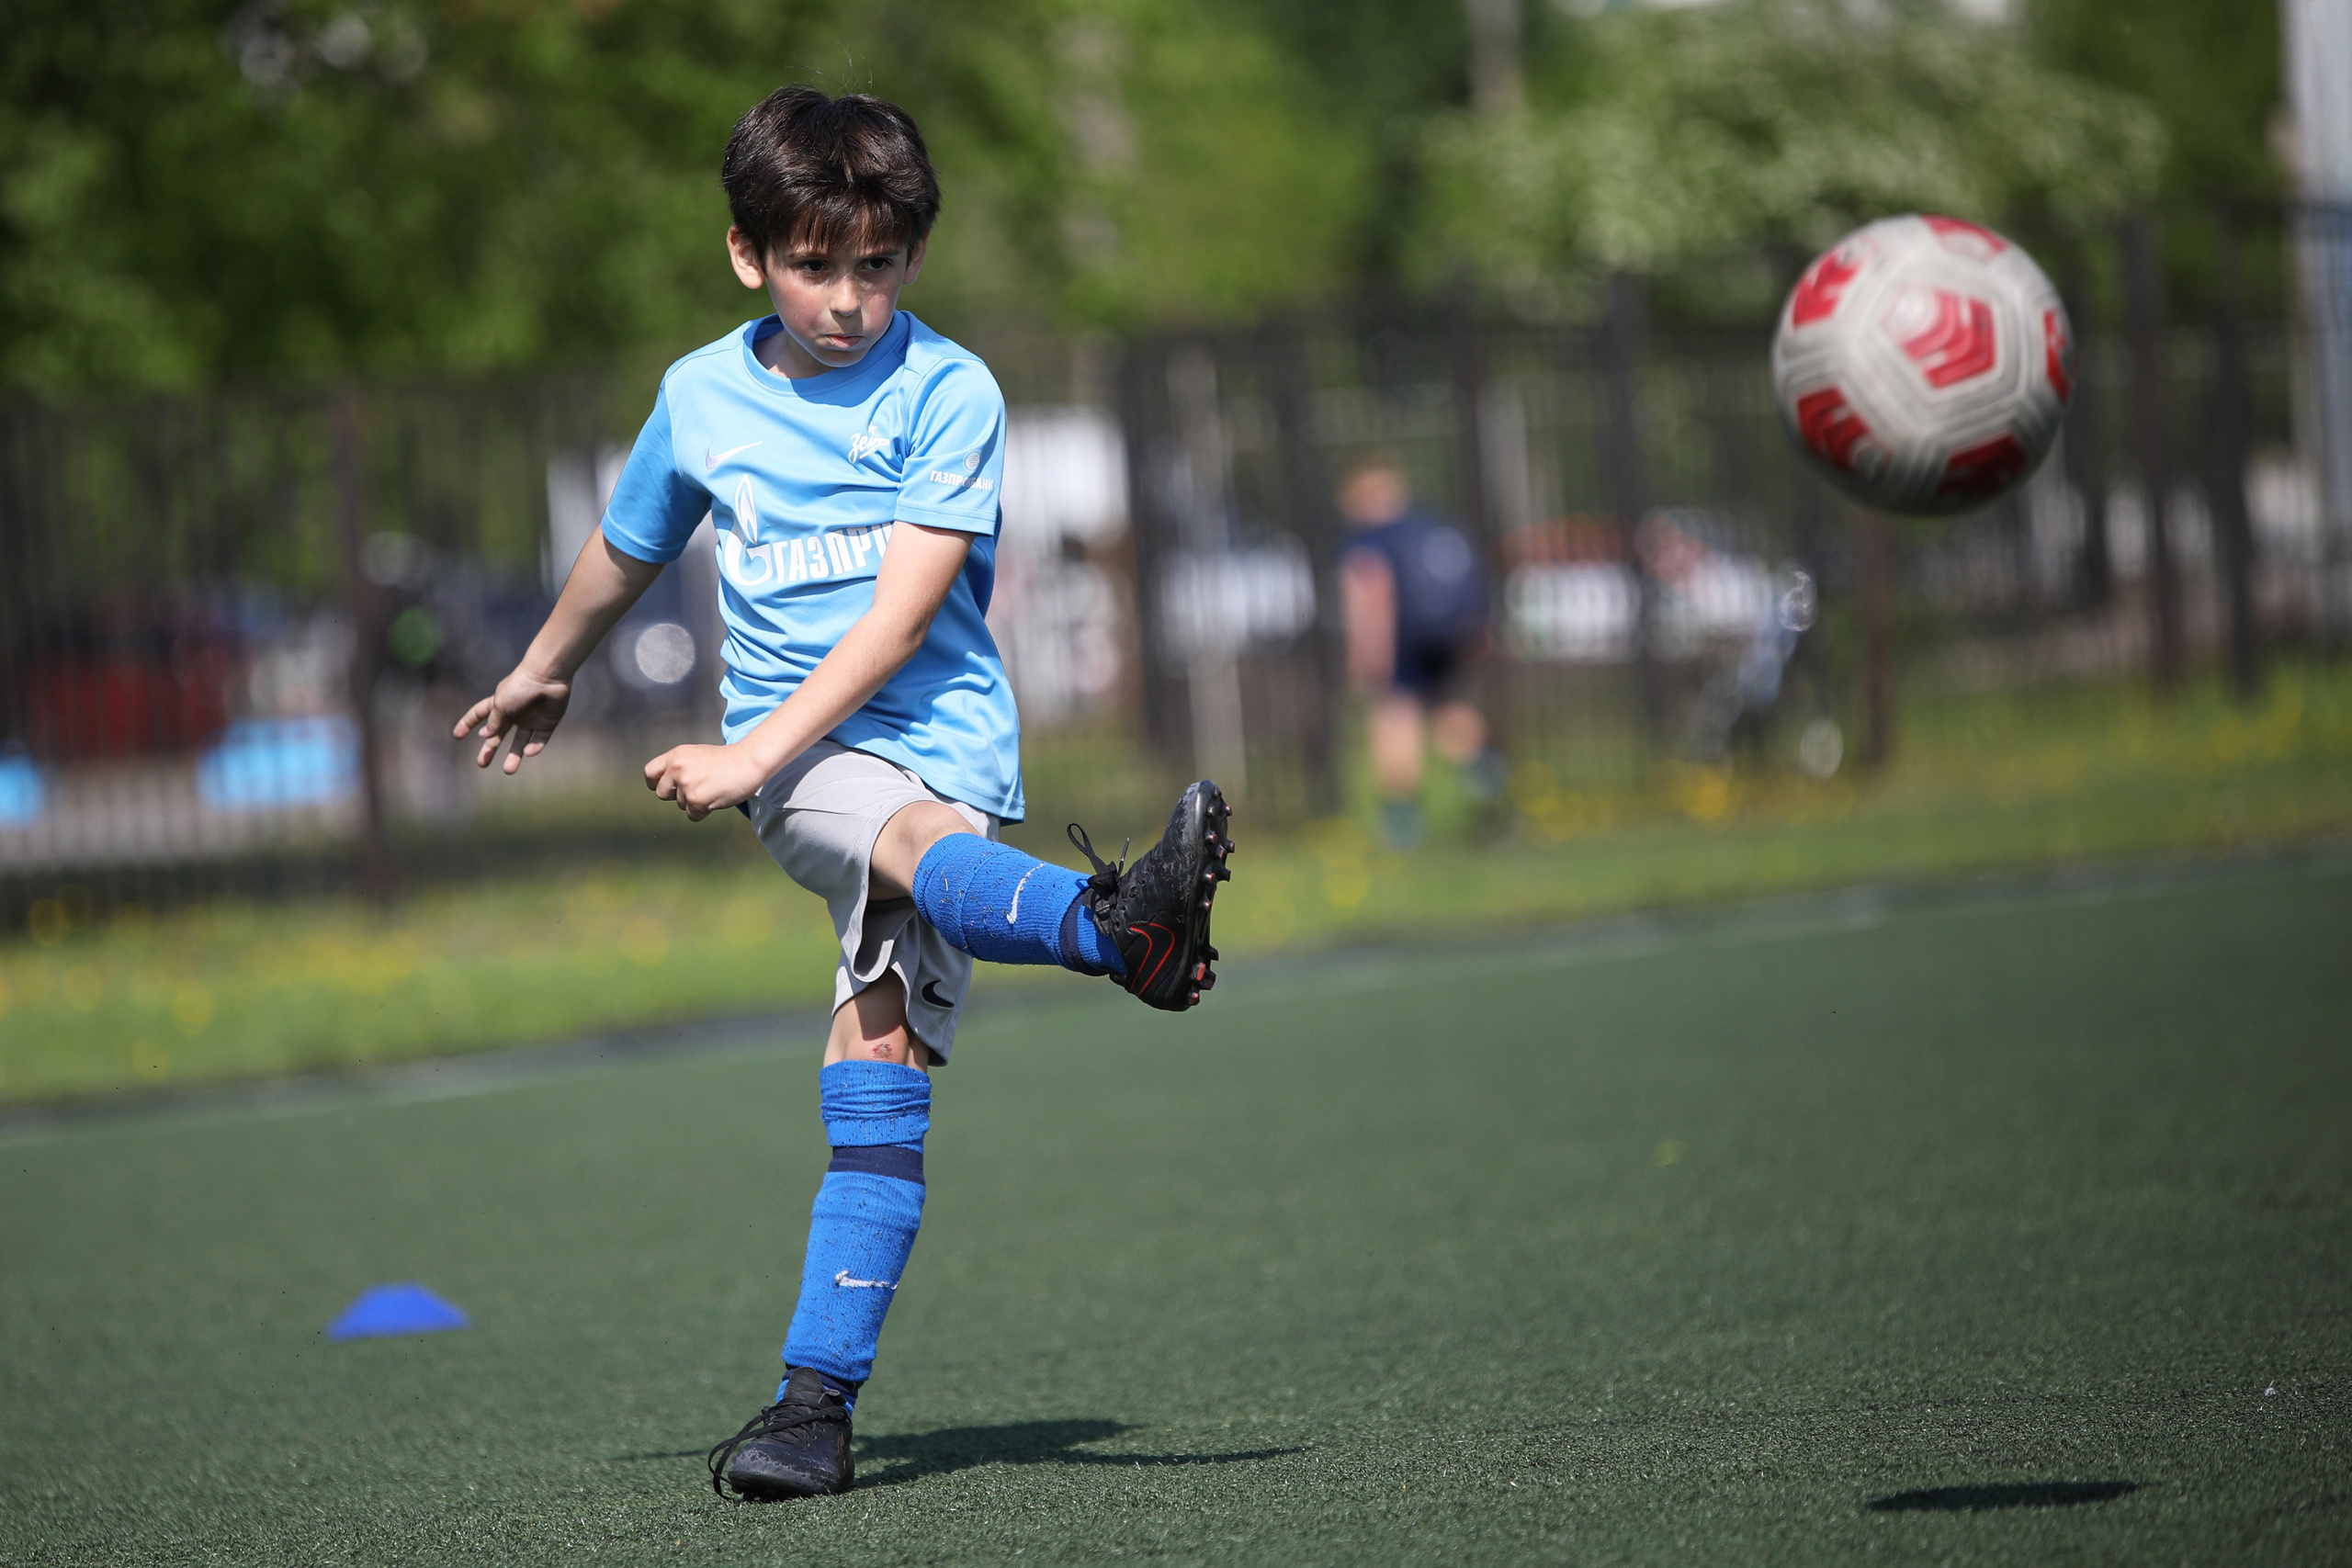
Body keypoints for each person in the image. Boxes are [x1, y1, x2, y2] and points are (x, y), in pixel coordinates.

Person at [452, 86, 1233, 1502]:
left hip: (929, 739)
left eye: (878, 265)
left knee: (875, 1078)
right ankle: (1118, 930)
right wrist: (545, 665)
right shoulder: (701, 395)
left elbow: (899, 617)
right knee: (881, 859)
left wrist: (749, 754)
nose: (850, 298)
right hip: (809, 763)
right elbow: (628, 546)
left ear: (911, 258)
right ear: (749, 253)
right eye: (817, 264)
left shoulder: (953, 390)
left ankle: (812, 1413)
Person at [1336, 457, 1503, 847]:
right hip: (1447, 636)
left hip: (1403, 641)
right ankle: (1485, 770)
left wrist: (1366, 659)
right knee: (1444, 705)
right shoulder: (1432, 526)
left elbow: (1371, 597)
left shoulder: (1370, 540)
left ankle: (1401, 823)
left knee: (1395, 716)